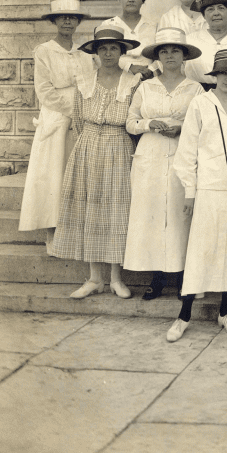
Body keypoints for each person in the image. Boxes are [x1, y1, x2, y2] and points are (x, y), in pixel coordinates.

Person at [167, 47, 227, 342]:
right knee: (201, 250)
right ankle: (184, 315)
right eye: (223, 73)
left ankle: (225, 312)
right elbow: (187, 151)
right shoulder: (200, 104)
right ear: (214, 75)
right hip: (208, 187)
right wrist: (190, 192)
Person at [49, 27, 142, 299]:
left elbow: (134, 119)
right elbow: (77, 120)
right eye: (103, 49)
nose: (109, 53)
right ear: (96, 53)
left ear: (122, 51)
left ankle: (115, 278)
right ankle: (94, 278)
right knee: (89, 210)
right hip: (88, 146)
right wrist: (88, 145)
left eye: (114, 48)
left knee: (115, 210)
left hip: (118, 146)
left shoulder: (133, 82)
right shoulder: (84, 81)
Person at [123, 29, 205, 299]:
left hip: (183, 154)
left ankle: (183, 277)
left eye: (175, 51)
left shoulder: (195, 88)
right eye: (164, 51)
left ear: (184, 57)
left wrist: (181, 127)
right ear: (157, 57)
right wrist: (149, 124)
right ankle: (156, 277)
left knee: (179, 215)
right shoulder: (146, 87)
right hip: (150, 155)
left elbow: (205, 124)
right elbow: (130, 123)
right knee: (153, 215)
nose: (170, 56)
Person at [19, 0, 95, 249]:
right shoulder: (44, 51)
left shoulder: (85, 53)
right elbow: (44, 91)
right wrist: (73, 111)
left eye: (72, 17)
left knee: (76, 174)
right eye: (62, 17)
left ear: (77, 22)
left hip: (82, 116)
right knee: (53, 174)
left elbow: (90, 85)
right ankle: (52, 233)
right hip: (56, 117)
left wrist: (84, 112)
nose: (67, 21)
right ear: (54, 21)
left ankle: (74, 231)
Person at [99, 0, 157, 81]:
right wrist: (129, 67)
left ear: (143, 0)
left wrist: (151, 70)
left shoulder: (153, 26)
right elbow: (100, 56)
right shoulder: (109, 25)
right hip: (117, 78)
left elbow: (162, 53)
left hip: (148, 79)